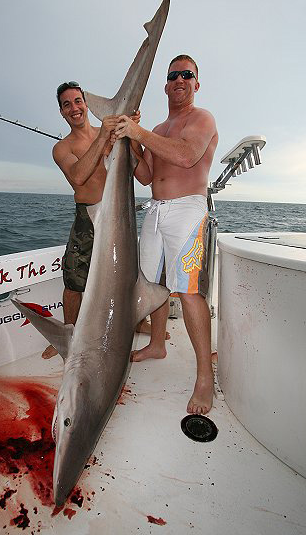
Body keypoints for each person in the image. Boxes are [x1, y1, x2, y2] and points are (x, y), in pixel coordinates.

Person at [114, 55, 218, 415]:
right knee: (153, 285)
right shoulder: (157, 128)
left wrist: (139, 133)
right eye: (173, 75)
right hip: (155, 212)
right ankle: (157, 344)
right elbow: (144, 175)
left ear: (196, 83)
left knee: (189, 292)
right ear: (165, 84)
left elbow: (188, 156)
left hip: (188, 210)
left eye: (187, 74)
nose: (179, 80)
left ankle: (205, 376)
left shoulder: (201, 119)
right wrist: (131, 141)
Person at [45, 82, 145, 358]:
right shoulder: (62, 148)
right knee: (74, 282)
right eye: (67, 104)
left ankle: (139, 322)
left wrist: (131, 130)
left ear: (86, 104)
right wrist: (102, 139)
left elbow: (137, 169)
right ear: (62, 112)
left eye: (78, 101)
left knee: (127, 274)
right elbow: (78, 177)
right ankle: (69, 334)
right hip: (87, 219)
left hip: (117, 213)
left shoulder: (110, 133)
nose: (74, 108)